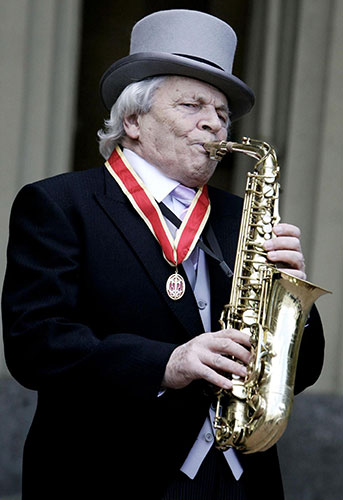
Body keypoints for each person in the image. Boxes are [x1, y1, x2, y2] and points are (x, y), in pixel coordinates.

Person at [2, 9, 324, 500]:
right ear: (132, 120)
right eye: (192, 105)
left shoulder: (241, 215)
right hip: (110, 476)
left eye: (221, 114)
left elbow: (300, 372)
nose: (213, 125)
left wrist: (291, 302)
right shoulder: (59, 204)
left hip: (240, 479)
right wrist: (165, 363)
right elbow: (35, 344)